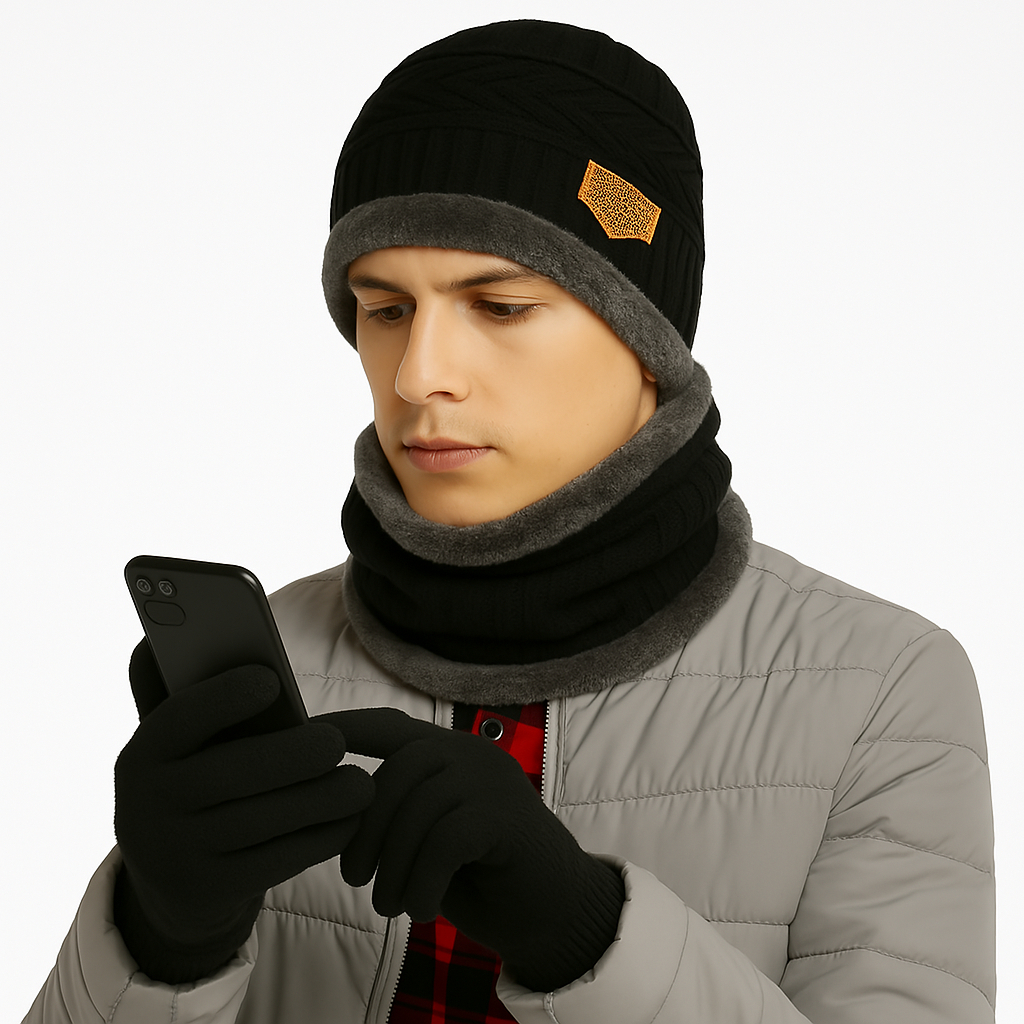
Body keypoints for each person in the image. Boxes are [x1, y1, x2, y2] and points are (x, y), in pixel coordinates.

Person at [24, 19, 995, 1024]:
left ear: (647, 338)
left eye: (498, 305)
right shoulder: (278, 663)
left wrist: (586, 933)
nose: (417, 375)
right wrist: (160, 946)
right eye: (385, 309)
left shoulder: (882, 685)